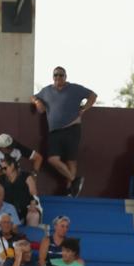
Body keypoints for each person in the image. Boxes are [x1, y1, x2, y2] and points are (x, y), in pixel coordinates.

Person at [32, 67, 96, 195]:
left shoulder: (75, 88)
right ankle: (74, 180)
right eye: (55, 75)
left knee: (71, 160)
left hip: (72, 129)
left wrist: (84, 108)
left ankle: (70, 191)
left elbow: (93, 96)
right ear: (52, 77)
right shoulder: (47, 91)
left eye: (61, 75)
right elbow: (34, 96)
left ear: (66, 76)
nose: (58, 77)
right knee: (52, 159)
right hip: (54, 131)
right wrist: (36, 101)